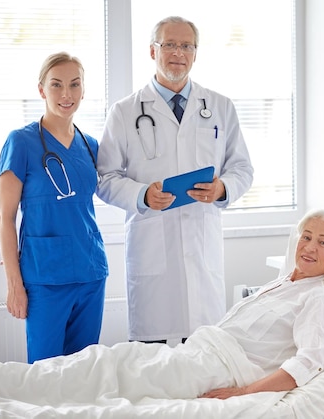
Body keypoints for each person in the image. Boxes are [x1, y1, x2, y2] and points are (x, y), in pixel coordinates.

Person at [0, 208, 324, 407]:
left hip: (211, 370)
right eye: (306, 236)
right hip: (190, 353)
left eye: (323, 242)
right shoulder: (284, 282)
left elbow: (308, 362)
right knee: (104, 359)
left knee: (106, 374)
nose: (309, 247)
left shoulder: (317, 298)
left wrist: (239, 396)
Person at [97, 16, 254, 344]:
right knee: (151, 360)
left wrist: (222, 188)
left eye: (186, 46)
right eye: (169, 44)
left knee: (203, 354)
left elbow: (242, 168)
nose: (178, 53)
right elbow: (105, 177)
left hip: (202, 245)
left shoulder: (220, 107)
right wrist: (142, 195)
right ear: (152, 51)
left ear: (195, 54)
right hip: (152, 247)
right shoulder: (125, 112)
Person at [0, 52, 109, 363]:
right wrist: (14, 285)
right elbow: (5, 218)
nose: (66, 94)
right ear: (42, 90)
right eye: (56, 85)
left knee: (83, 371)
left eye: (74, 85)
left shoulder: (90, 145)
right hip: (45, 277)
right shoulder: (20, 142)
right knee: (45, 374)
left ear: (83, 90)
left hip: (90, 272)